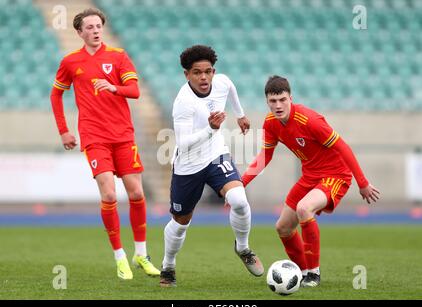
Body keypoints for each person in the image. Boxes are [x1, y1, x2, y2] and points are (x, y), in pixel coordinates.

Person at [50, 8, 160, 280]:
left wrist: (115, 88)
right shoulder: (70, 62)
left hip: (123, 135)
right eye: (89, 27)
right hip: (94, 136)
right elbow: (56, 95)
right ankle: (120, 256)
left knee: (136, 193)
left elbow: (134, 91)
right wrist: (64, 131)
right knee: (109, 195)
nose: (96, 30)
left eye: (99, 26)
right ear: (79, 32)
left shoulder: (118, 56)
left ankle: (141, 254)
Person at [241, 76, 380, 287]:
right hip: (309, 176)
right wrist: (240, 184)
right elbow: (264, 157)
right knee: (283, 227)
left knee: (304, 208)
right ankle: (302, 272)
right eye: (273, 101)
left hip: (335, 175)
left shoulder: (309, 120)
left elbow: (343, 148)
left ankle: (313, 274)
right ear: (267, 101)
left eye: (282, 100)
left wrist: (362, 183)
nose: (278, 105)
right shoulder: (270, 123)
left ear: (291, 98)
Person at [159, 45, 264, 287]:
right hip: (188, 165)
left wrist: (240, 115)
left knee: (238, 199)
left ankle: (243, 248)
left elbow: (231, 89)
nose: (204, 77)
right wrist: (210, 129)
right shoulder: (183, 102)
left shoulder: (222, 82)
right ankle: (168, 265)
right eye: (197, 72)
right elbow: (183, 144)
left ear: (213, 71)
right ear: (187, 75)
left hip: (216, 155)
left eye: (208, 71)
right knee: (180, 222)